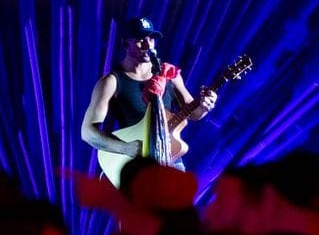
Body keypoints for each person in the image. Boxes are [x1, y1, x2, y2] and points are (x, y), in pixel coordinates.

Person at [83, 16, 219, 181]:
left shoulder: (169, 74)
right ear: (125, 43)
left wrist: (205, 105)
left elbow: (194, 112)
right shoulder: (111, 82)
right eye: (141, 40)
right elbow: (87, 133)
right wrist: (125, 148)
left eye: (151, 39)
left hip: (170, 159)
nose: (148, 45)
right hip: (134, 164)